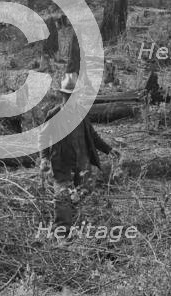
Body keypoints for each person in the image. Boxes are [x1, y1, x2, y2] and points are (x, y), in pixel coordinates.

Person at [39, 72, 121, 236]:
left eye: (74, 95)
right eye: (68, 95)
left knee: (83, 195)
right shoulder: (54, 114)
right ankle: (62, 234)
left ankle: (81, 229)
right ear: (62, 94)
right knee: (62, 198)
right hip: (61, 164)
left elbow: (93, 136)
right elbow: (43, 137)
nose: (71, 99)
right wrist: (44, 158)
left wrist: (109, 150)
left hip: (82, 165)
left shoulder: (81, 114)